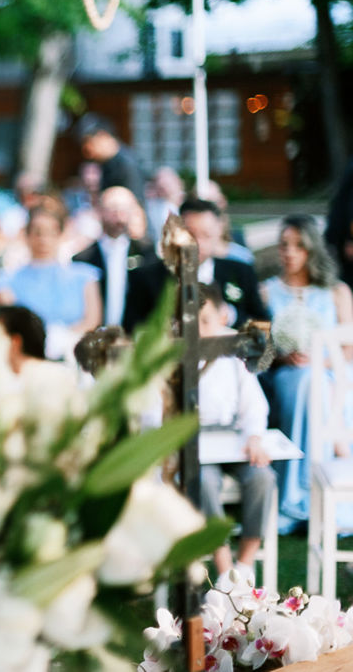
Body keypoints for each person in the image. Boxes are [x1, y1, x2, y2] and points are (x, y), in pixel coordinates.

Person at [259, 215, 353, 531]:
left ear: (312, 250)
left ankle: (313, 497)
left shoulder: (337, 292)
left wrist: (320, 361)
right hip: (286, 375)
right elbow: (260, 350)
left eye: (298, 246)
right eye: (284, 245)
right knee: (304, 384)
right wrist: (286, 357)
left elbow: (349, 349)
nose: (289, 252)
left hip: (331, 375)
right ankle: (300, 498)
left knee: (319, 386)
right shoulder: (267, 292)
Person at [194, 285, 276, 584]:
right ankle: (224, 566)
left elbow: (254, 403)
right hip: (194, 445)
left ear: (222, 316)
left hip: (233, 438)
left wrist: (254, 437)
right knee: (203, 482)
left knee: (262, 477)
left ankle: (245, 561)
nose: (199, 331)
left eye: (205, 321)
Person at [123, 198, 270, 334]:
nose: (197, 244)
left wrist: (230, 315)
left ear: (218, 233)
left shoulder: (240, 272)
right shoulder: (146, 277)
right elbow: (132, 329)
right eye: (191, 235)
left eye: (206, 235)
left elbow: (263, 326)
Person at [0, 200, 101, 360]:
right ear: (27, 235)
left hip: (75, 359)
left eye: (50, 232)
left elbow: (92, 321)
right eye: (37, 232)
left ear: (60, 235)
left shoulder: (84, 276)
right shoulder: (7, 280)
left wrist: (65, 338)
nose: (43, 240)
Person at [72, 186, 157, 327]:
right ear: (100, 211)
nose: (118, 215)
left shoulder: (146, 254)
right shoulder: (83, 259)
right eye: (112, 209)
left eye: (124, 209)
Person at [75, 113, 146, 208]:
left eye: (89, 144)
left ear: (102, 135)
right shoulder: (106, 164)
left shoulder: (126, 164)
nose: (88, 152)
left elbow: (137, 206)